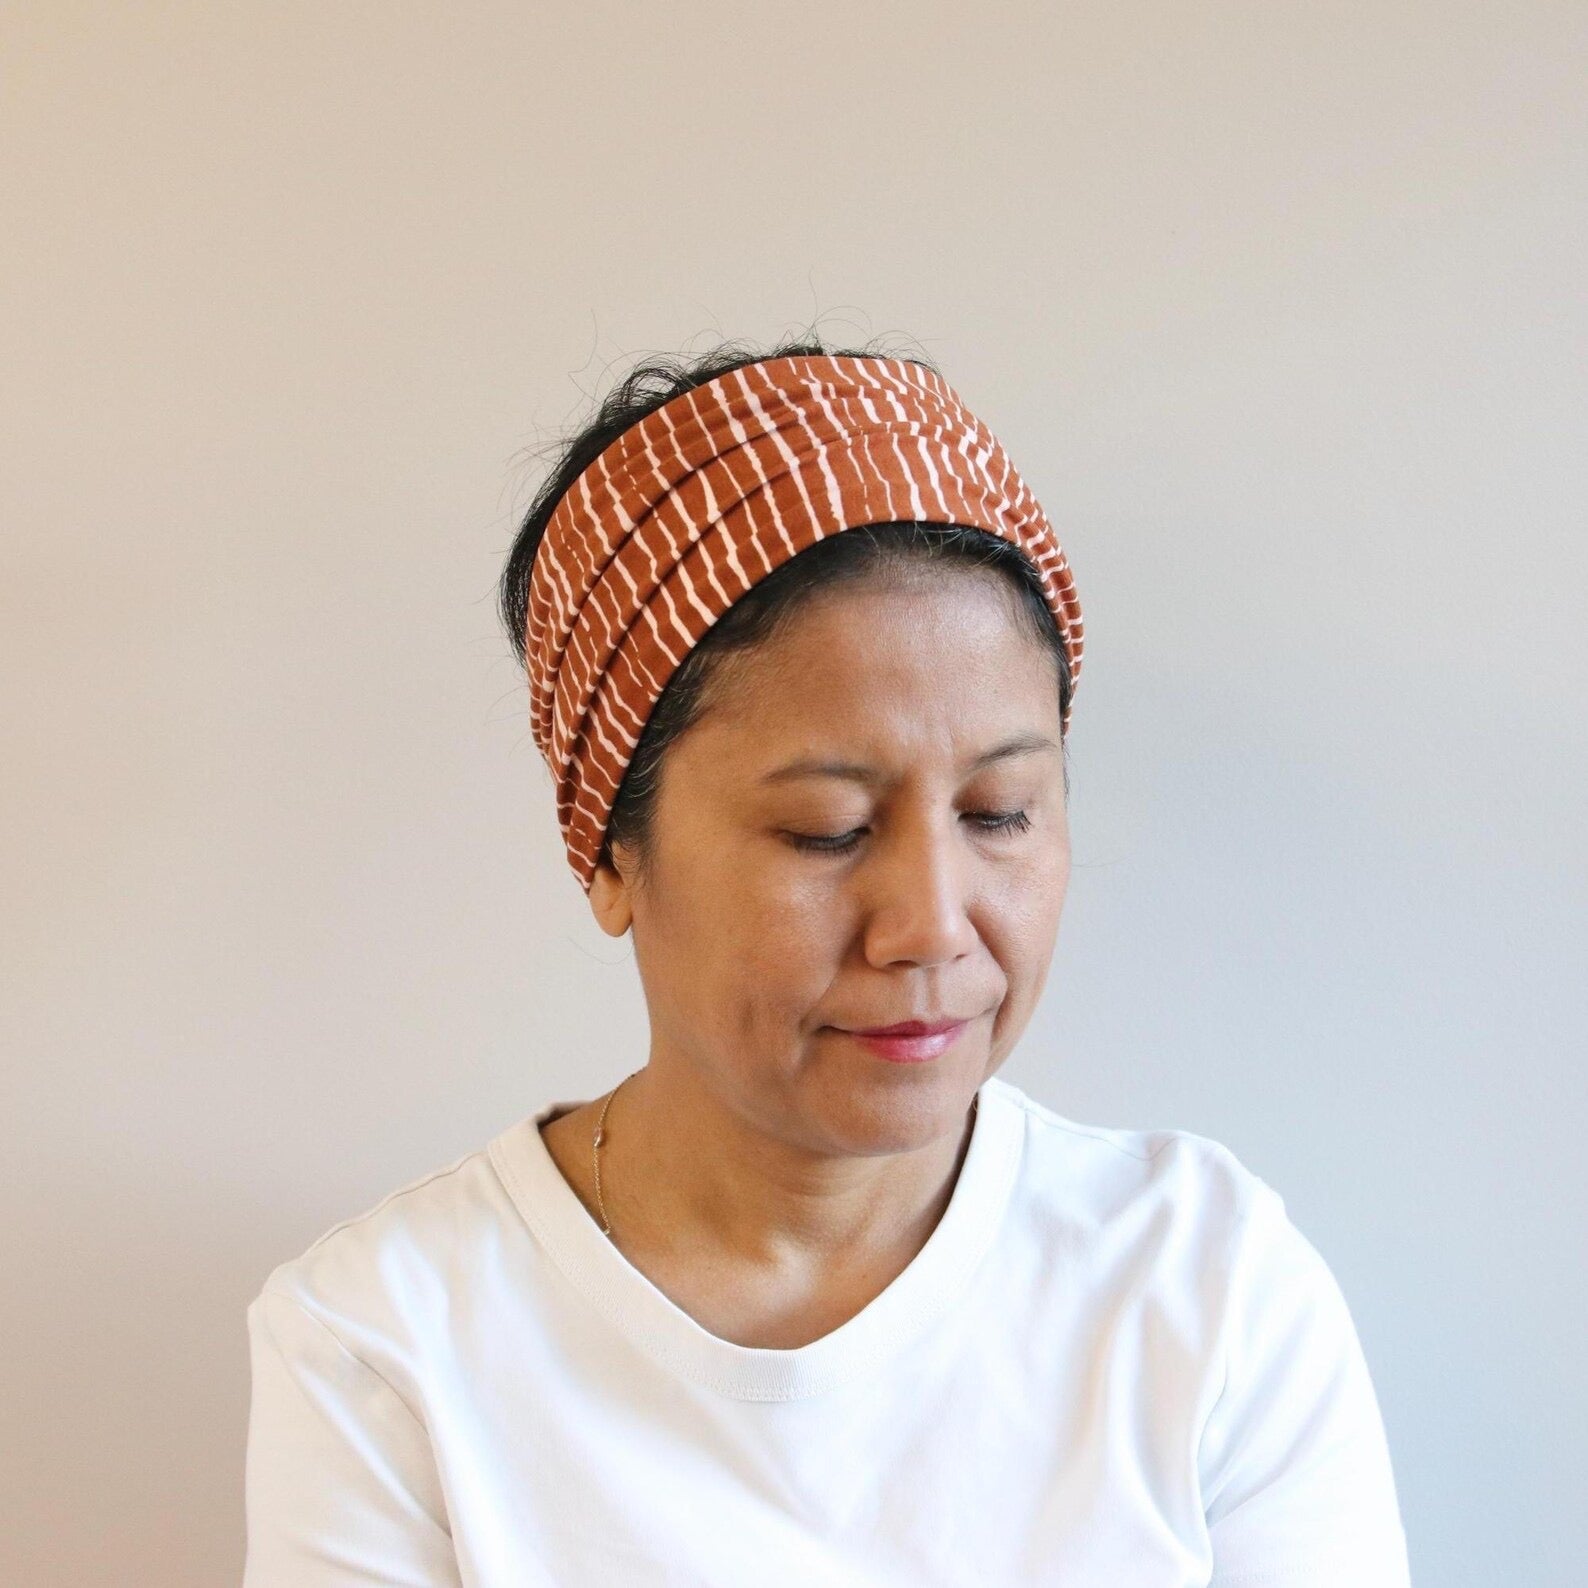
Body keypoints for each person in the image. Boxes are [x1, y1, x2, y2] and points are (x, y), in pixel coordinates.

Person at [241, 337, 1412, 1586]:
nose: (929, 924)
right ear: (610, 854)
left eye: (1000, 810)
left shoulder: (1205, 1288)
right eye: (828, 830)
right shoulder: (387, 1344)